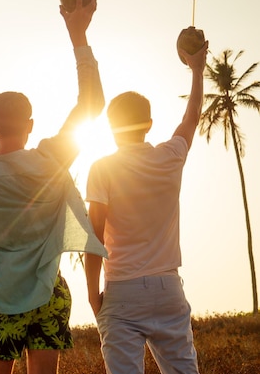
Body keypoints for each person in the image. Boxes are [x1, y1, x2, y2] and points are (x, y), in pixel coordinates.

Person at [0, 0, 108, 374]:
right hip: (47, 295)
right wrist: (79, 38)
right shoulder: (52, 160)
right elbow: (92, 104)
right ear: (31, 127)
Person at [84, 39, 208, 374]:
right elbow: (192, 116)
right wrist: (197, 70)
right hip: (168, 288)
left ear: (110, 127)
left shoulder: (102, 169)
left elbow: (94, 236)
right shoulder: (170, 156)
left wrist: (93, 294)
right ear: (149, 124)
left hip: (122, 289)